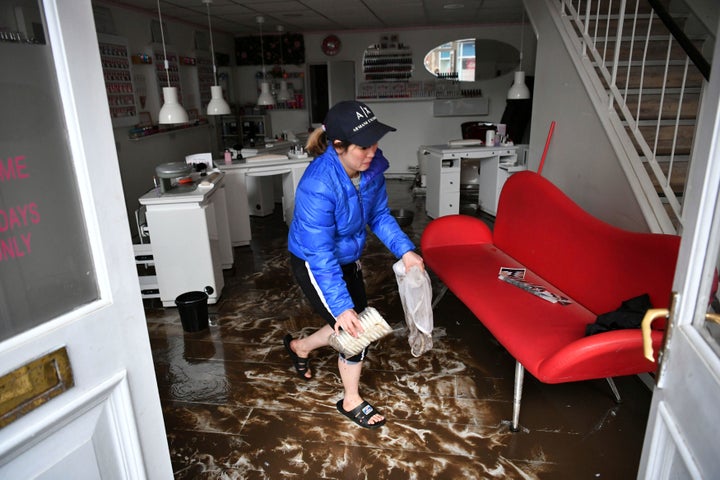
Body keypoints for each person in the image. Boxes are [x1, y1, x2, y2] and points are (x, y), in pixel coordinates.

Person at [284, 100, 424, 429]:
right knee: (357, 329)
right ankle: (351, 400)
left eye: (375, 143)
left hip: (347, 256)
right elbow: (320, 255)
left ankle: (300, 346)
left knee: (350, 321)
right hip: (313, 262)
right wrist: (342, 305)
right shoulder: (318, 185)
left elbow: (378, 215)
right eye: (364, 146)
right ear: (338, 146)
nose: (372, 152)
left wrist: (405, 251)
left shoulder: (371, 169)